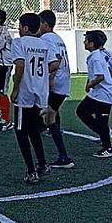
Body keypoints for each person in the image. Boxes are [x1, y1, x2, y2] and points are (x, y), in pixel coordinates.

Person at [11, 13, 58, 184]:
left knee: (22, 132)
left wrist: (15, 89)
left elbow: (20, 65)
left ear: (24, 27)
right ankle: (43, 164)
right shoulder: (44, 43)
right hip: (41, 92)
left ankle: (31, 171)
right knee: (33, 130)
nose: (18, 29)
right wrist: (41, 73)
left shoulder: (19, 42)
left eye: (19, 26)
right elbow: (55, 63)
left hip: (26, 93)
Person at [38, 10, 74, 169]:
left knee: (49, 116)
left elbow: (56, 60)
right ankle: (52, 132)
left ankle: (64, 157)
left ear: (45, 24)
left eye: (39, 23)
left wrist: (50, 78)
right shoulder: (58, 38)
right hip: (64, 81)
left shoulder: (45, 38)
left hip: (57, 82)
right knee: (52, 113)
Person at [76, 30, 112, 158]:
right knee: (82, 111)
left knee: (101, 120)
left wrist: (90, 85)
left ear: (92, 44)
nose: (84, 42)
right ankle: (104, 135)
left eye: (86, 41)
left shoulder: (96, 58)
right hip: (98, 93)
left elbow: (100, 77)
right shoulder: (95, 56)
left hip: (104, 94)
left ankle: (107, 148)